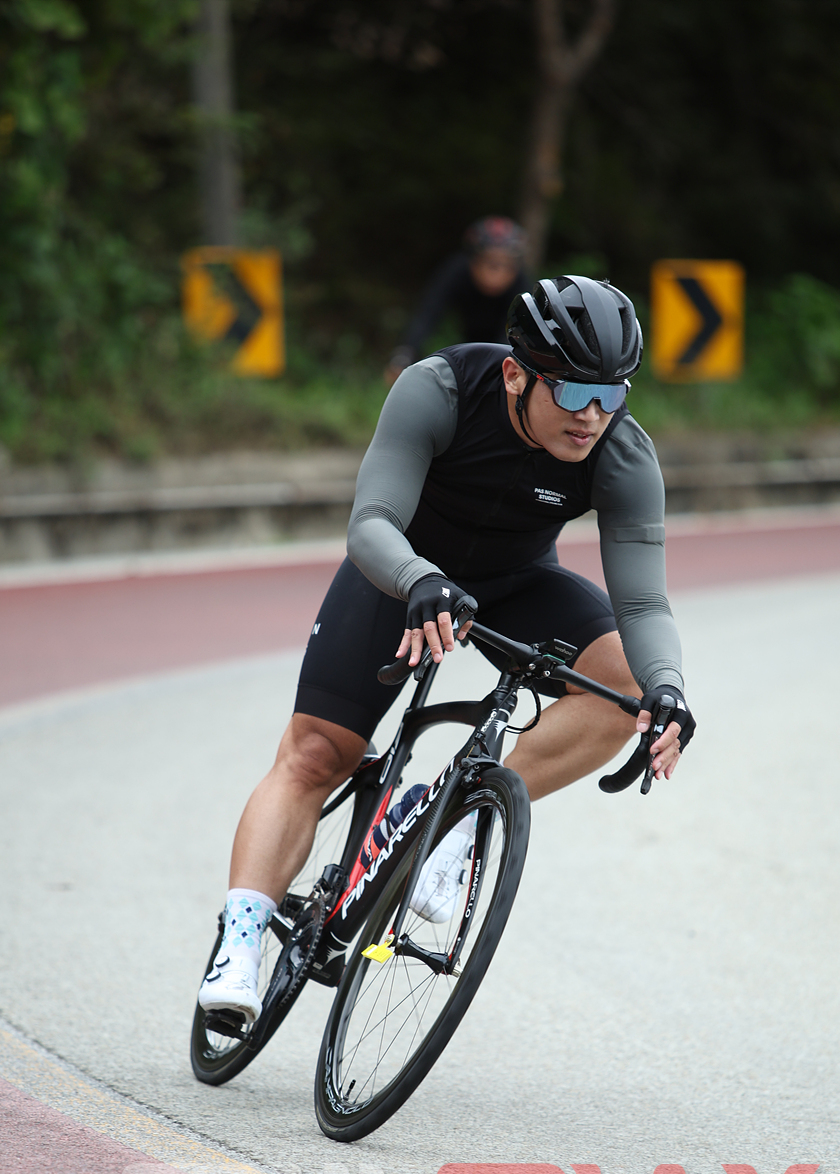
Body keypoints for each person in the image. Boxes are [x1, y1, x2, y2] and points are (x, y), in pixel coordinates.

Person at [200, 275, 698, 1024]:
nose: (592, 415)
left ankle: (459, 816)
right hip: (400, 572)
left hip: (515, 582)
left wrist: (669, 689)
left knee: (625, 687)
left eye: (612, 393)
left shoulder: (621, 451)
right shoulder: (440, 389)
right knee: (316, 755)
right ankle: (238, 942)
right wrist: (419, 579)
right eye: (572, 392)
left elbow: (644, 604)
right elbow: (371, 522)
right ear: (516, 374)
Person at [383, 217, 532, 385]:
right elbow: (427, 314)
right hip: (466, 343)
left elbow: (518, 335)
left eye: (507, 265)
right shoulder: (457, 272)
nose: (496, 274)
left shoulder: (521, 286)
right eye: (490, 263)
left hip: (504, 347)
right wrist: (405, 355)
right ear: (473, 260)